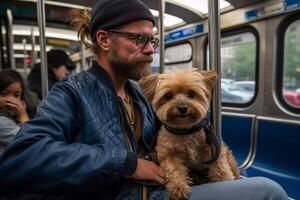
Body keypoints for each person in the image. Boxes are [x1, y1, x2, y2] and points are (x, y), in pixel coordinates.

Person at [0, 0, 289, 199]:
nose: (151, 49)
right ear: (104, 41)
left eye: (153, 41)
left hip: (155, 188)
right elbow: (19, 160)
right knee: (267, 190)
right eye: (140, 39)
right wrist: (126, 162)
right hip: (122, 195)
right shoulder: (72, 93)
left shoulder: (138, 93)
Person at [0, 69, 29, 156]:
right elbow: (29, 141)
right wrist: (23, 116)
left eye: (16, 95)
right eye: (3, 94)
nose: (11, 100)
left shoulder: (10, 116)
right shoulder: (2, 122)